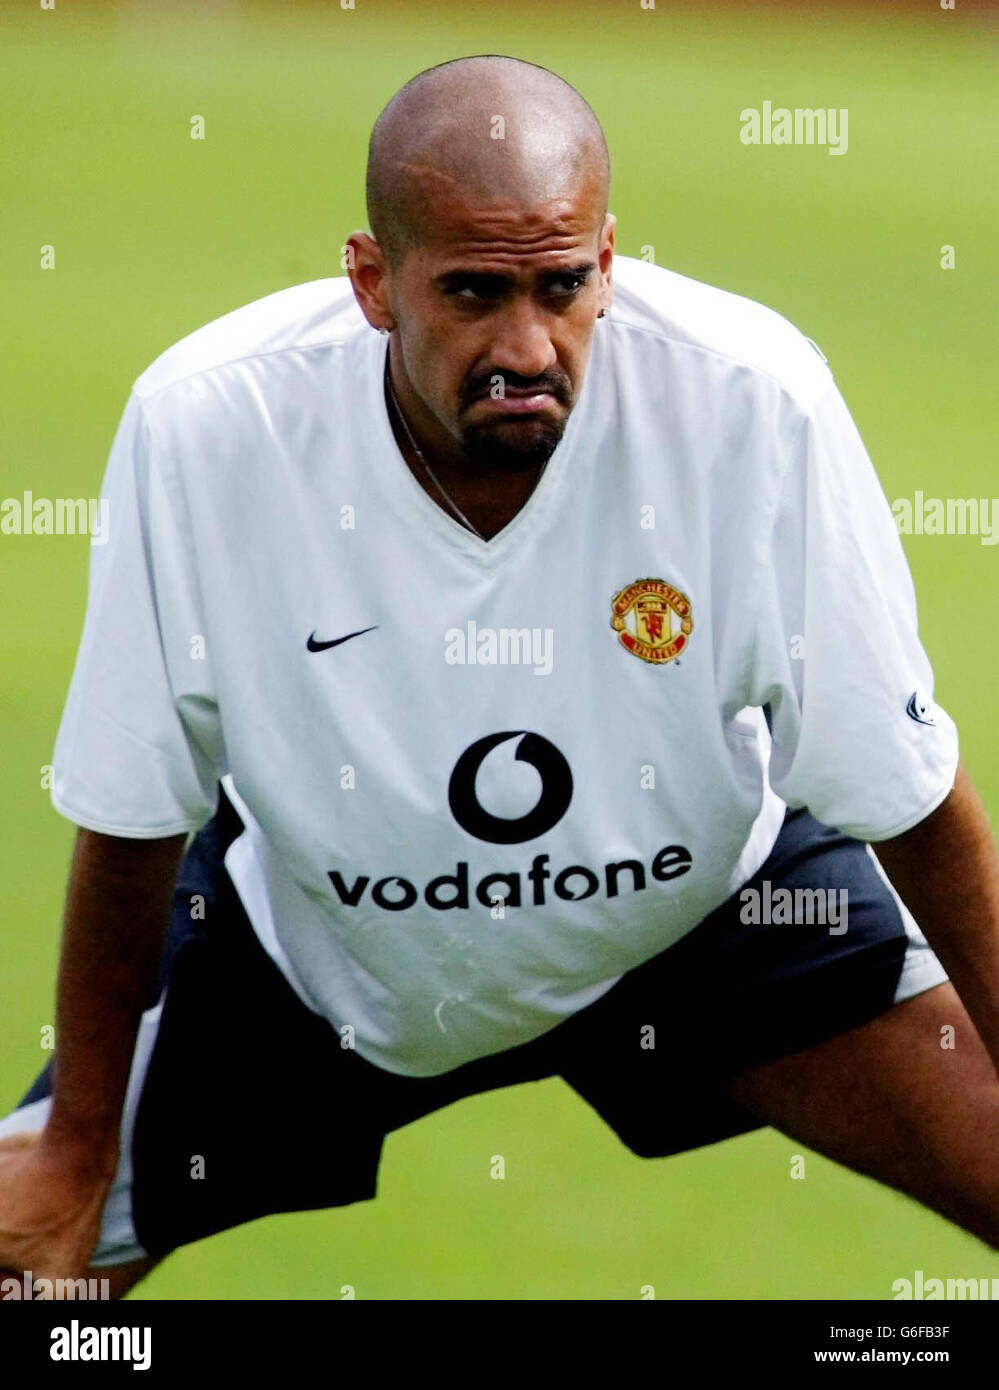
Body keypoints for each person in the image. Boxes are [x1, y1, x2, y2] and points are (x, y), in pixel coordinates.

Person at [1, 55, 997, 1302]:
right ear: (372, 282)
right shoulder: (210, 423)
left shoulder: (755, 402)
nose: (526, 345)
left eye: (561, 286)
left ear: (608, 265)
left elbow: (910, 792)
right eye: (472, 291)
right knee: (33, 1278)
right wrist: (80, 1149)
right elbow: (134, 814)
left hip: (707, 921)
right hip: (330, 953)